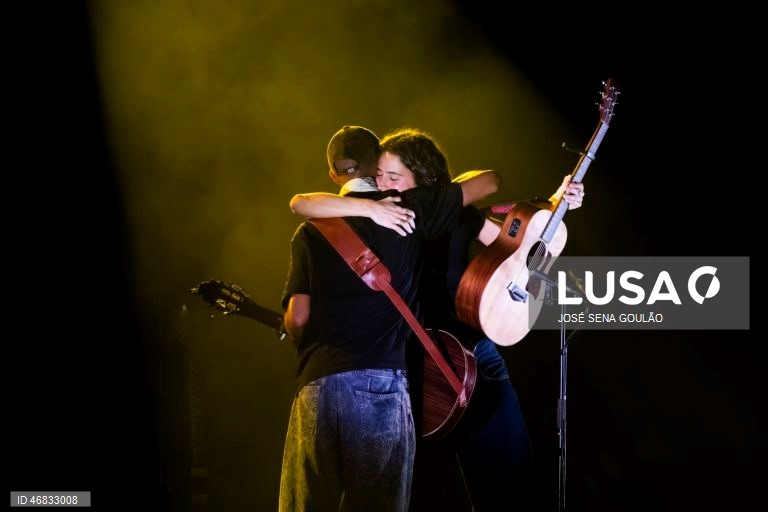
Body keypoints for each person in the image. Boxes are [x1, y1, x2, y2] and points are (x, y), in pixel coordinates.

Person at [290, 127, 585, 511]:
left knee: (506, 480)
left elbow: (518, 247)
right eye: (378, 174)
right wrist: (370, 206)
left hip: (468, 359)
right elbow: (301, 204)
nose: (380, 182)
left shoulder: (444, 210)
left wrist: (557, 203)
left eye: (392, 176)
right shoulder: (375, 216)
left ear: (426, 181)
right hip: (411, 368)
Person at [279, 125, 501, 512]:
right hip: (380, 382)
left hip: (316, 384)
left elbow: (298, 316)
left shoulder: (309, 230)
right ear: (376, 163)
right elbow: (489, 183)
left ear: (334, 173)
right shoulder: (408, 210)